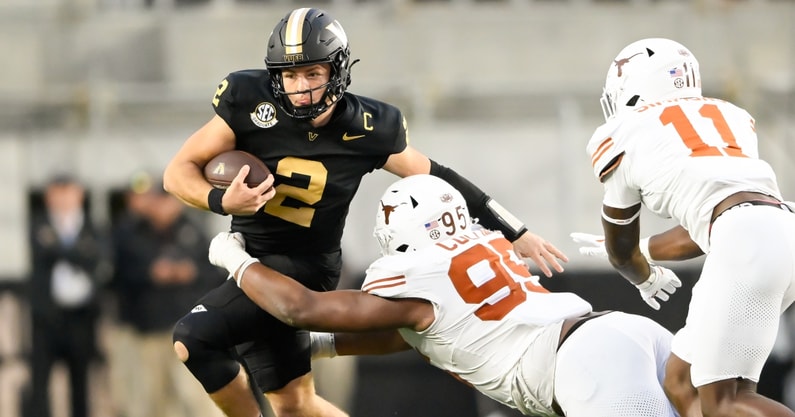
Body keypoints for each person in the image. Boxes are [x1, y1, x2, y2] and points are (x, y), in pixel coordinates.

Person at [162, 7, 567, 417]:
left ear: (336, 71)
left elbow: (440, 175)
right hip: (251, 256)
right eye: (289, 75)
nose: (300, 87)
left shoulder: (369, 125)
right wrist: (220, 203)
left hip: (304, 267)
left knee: (193, 338)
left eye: (313, 74)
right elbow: (178, 173)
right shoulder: (248, 98)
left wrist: (515, 230)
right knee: (295, 406)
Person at [206, 174, 683, 417]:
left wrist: (236, 258)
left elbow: (301, 308)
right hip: (622, 332)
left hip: (583, 364)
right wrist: (323, 346)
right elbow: (416, 332)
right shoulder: (485, 242)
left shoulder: (414, 274)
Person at [577, 37, 795, 417]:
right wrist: (647, 249)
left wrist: (642, 274)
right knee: (681, 379)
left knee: (726, 400)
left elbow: (619, 251)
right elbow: (717, 219)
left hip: (746, 236)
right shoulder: (732, 115)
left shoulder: (623, 131)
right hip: (775, 224)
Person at [107, 171, 226, 417]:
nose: (163, 206)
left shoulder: (192, 229)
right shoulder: (131, 232)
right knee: (152, 399)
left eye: (168, 200)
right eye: (158, 200)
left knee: (196, 396)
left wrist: (190, 272)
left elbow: (213, 271)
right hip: (149, 328)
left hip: (188, 327)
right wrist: (150, 273)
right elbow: (117, 276)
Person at [26, 174, 108, 417]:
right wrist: (78, 253)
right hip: (47, 317)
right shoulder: (38, 224)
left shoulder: (92, 226)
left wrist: (58, 248)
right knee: (39, 383)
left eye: (67, 192)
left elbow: (96, 261)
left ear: (79, 194)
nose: (62, 199)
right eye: (56, 193)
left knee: (80, 382)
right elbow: (44, 253)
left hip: (81, 317)